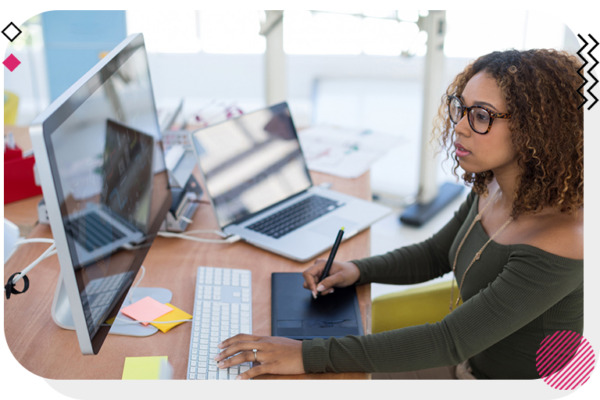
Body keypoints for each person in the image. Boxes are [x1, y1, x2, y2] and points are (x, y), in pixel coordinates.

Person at [214, 48, 584, 380]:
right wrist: (358, 270)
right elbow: (438, 252)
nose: (459, 126)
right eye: (461, 108)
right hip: (467, 362)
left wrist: (306, 355)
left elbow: (449, 340)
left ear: (538, 131)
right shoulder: (494, 186)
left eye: (482, 116)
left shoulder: (565, 239)